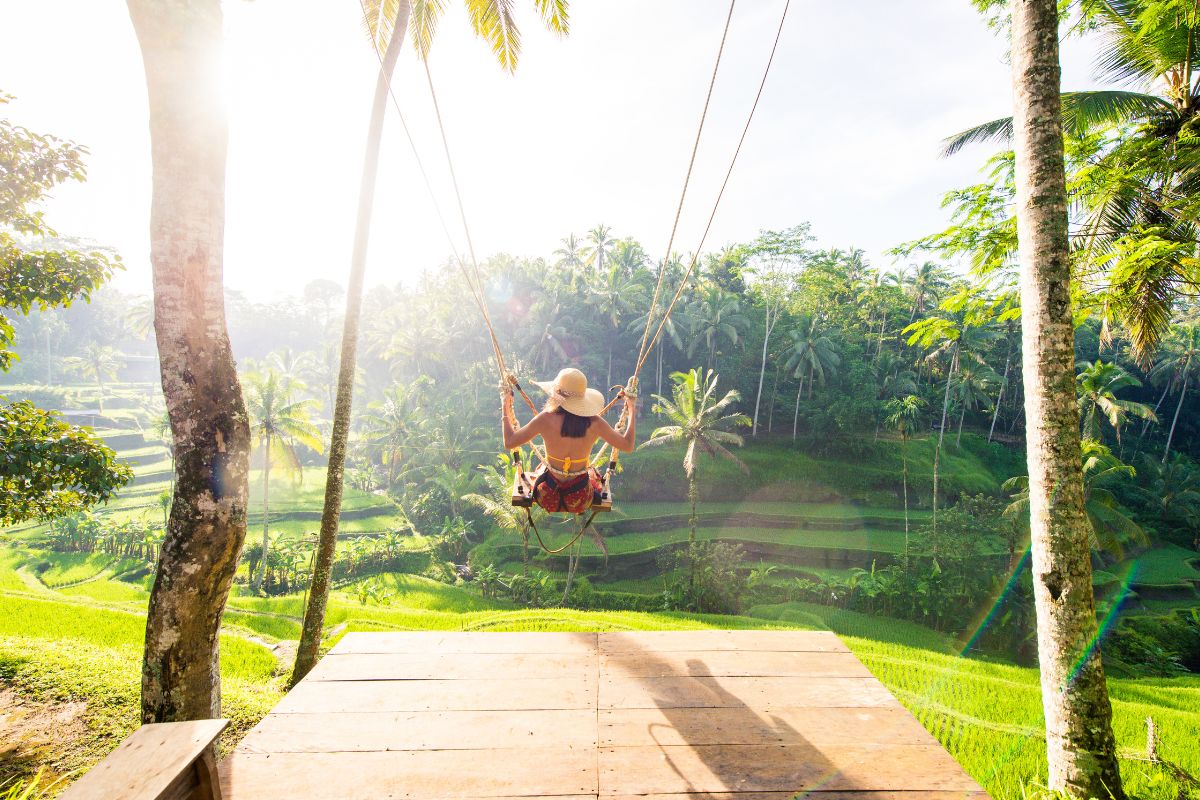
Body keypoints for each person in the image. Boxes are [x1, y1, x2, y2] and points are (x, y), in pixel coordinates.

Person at [502, 367, 637, 513]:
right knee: (592, 473)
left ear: (556, 395)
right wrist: (632, 410)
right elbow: (628, 445)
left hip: (547, 496)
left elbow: (510, 442)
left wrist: (505, 406)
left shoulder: (545, 419)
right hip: (580, 499)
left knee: (539, 470)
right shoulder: (595, 423)